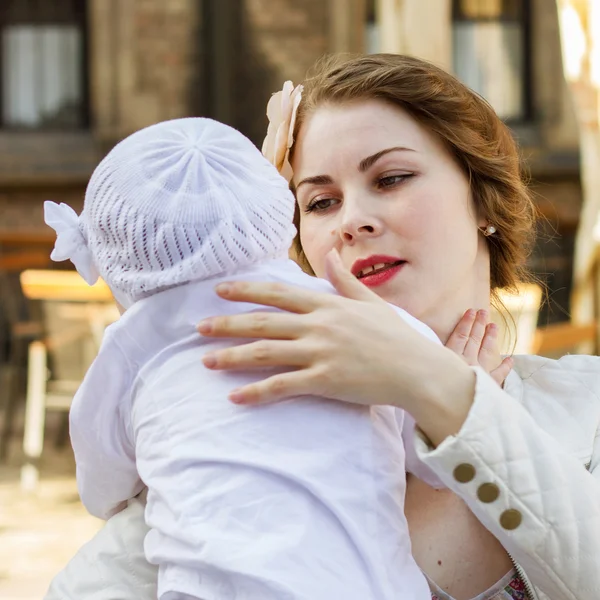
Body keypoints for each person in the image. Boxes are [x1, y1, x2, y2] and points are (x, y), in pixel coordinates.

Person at [46, 54, 600, 600]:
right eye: (318, 202)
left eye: (392, 178)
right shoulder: (236, 412)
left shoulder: (586, 407)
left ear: (484, 197)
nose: (348, 222)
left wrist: (438, 387)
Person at [44, 116, 442, 600]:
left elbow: (103, 483)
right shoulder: (353, 318)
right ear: (278, 218)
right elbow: (436, 454)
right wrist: (456, 375)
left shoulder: (134, 345)